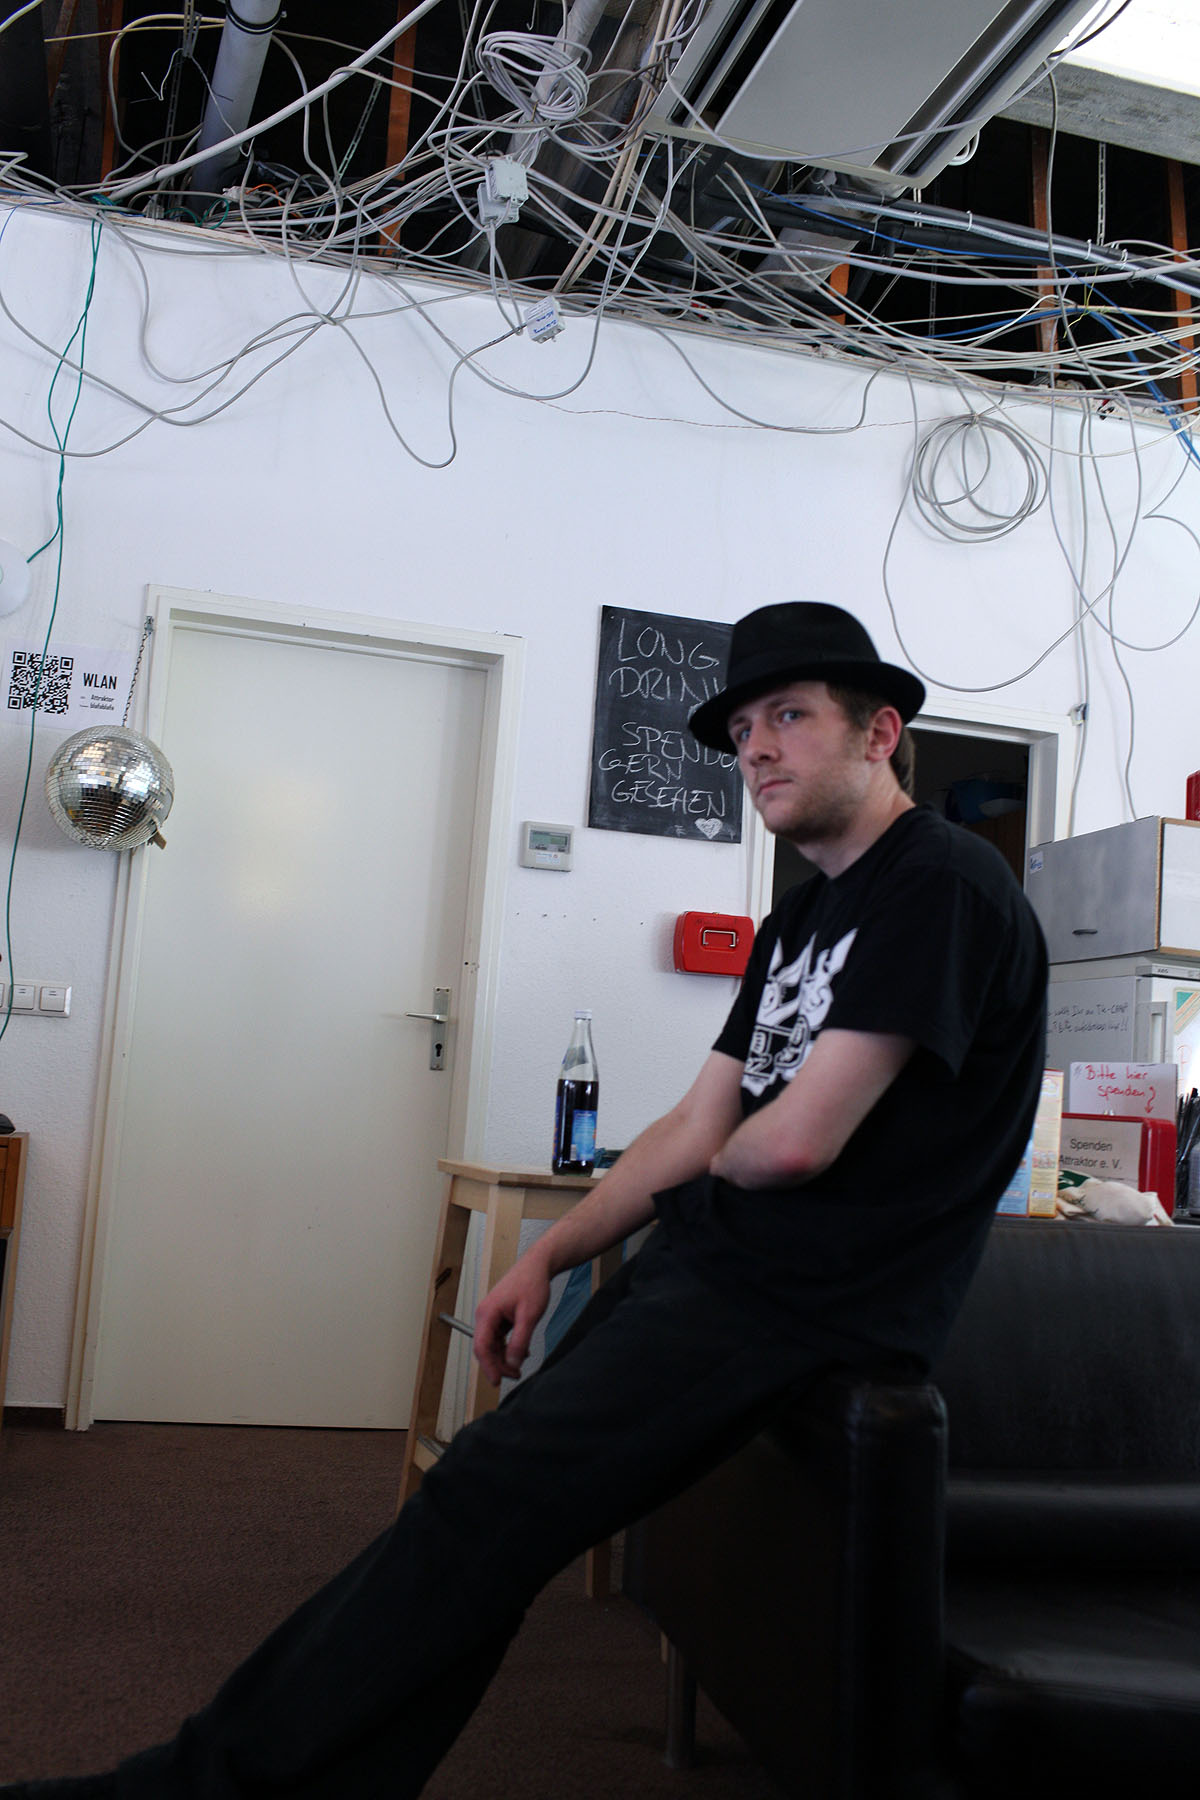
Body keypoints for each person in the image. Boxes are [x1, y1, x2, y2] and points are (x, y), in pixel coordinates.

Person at [4, 602, 1047, 1800]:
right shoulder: (805, 912)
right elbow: (698, 1123)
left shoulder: (941, 884)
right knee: (484, 1519)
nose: (757, 747)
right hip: (725, 1274)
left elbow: (797, 1142)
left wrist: (712, 1170)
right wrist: (549, 1257)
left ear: (880, 733)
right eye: (743, 729)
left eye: (790, 716)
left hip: (811, 1304)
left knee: (483, 1506)